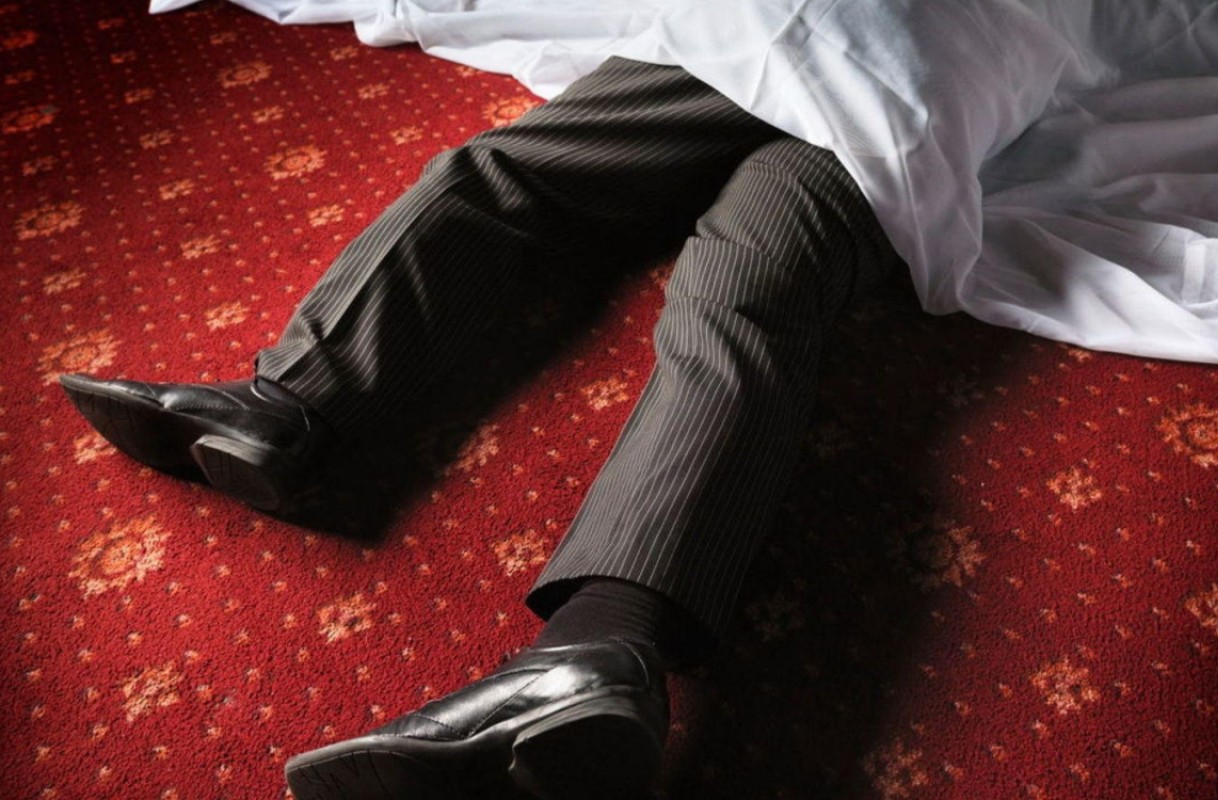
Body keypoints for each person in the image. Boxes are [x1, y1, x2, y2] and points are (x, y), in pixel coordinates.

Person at [60, 56, 894, 800]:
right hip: (888, 80)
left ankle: (293, 404)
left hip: (868, 53)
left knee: (518, 176)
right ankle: (596, 654)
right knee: (739, 303)